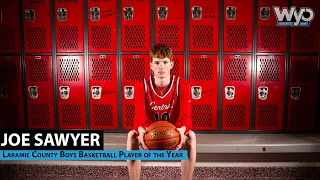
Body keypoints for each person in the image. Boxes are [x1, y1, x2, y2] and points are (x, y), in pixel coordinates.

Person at [126, 44, 196, 180]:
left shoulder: (182, 85)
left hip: (173, 132)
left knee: (191, 136)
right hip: (149, 132)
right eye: (157, 62)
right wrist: (140, 131)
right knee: (131, 136)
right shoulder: (141, 85)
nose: (161, 66)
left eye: (165, 62)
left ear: (171, 64)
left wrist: (181, 131)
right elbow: (138, 117)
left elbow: (187, 117)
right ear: (151, 65)